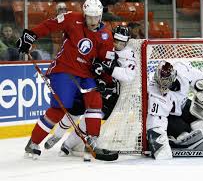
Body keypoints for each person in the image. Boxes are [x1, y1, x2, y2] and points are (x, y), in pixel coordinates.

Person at [16, 0, 115, 158]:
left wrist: (105, 78)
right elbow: (50, 25)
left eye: (96, 17)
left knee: (95, 100)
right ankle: (33, 142)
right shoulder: (72, 18)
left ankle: (93, 140)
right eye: (89, 17)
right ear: (84, 14)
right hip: (65, 69)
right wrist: (31, 36)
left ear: (101, 15)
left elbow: (105, 61)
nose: (92, 21)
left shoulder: (106, 35)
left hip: (87, 73)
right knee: (60, 106)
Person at [43, 25, 137, 155]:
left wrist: (107, 70)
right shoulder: (103, 45)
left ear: (126, 42)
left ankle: (67, 145)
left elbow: (128, 76)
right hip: (93, 84)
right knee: (75, 111)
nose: (117, 45)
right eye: (116, 41)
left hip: (111, 95)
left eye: (122, 43)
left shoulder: (128, 55)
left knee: (89, 121)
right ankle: (57, 136)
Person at [146, 60, 203, 160]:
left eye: (166, 82)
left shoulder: (182, 70)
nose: (163, 86)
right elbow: (156, 122)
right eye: (161, 82)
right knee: (183, 130)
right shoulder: (155, 93)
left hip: (183, 105)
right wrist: (160, 149)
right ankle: (179, 139)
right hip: (170, 116)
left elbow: (202, 79)